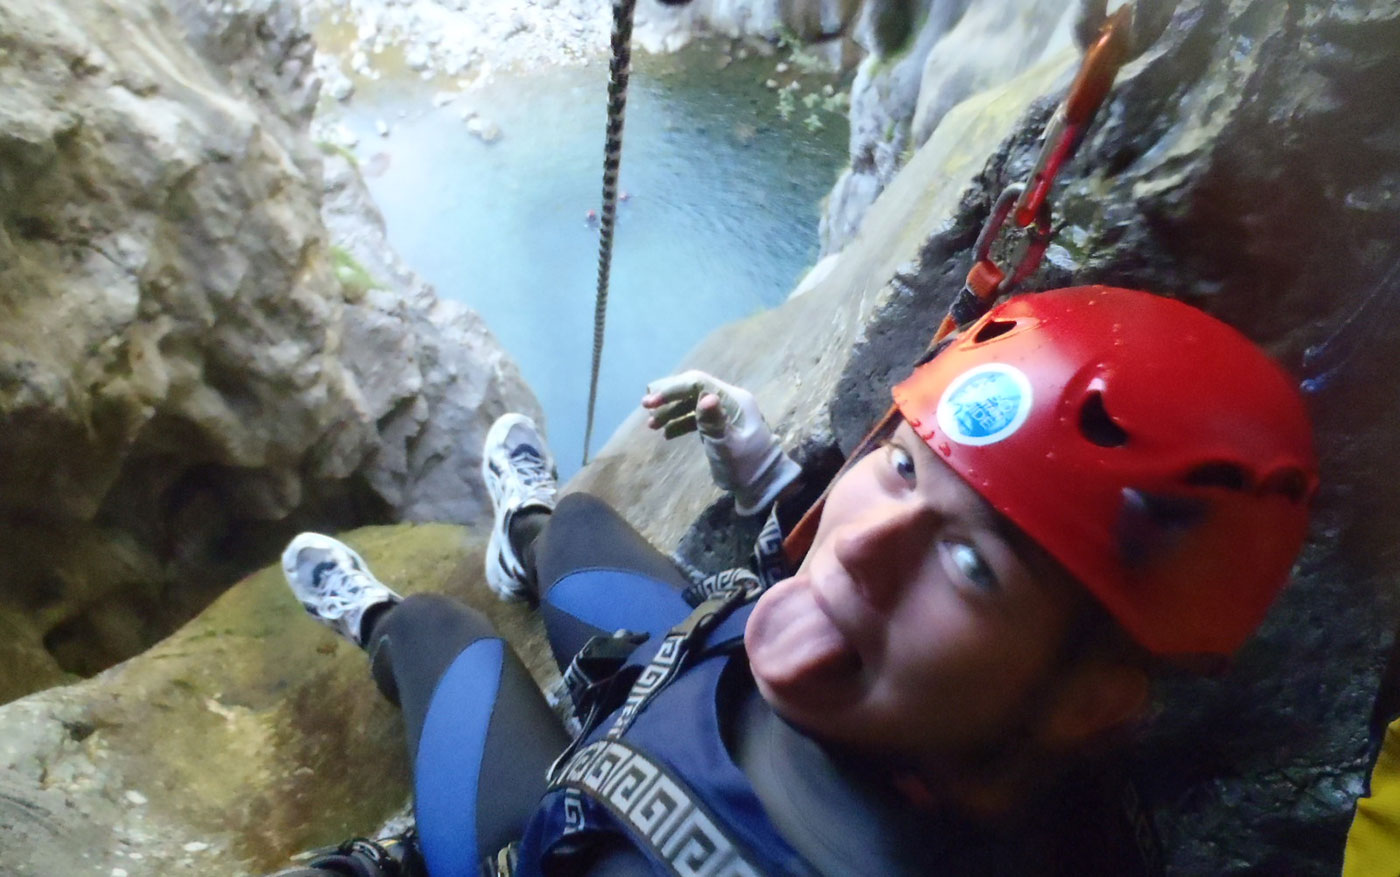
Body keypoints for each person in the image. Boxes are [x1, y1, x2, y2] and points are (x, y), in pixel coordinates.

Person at [275, 286, 1317, 877]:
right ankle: (534, 527)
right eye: (902, 466)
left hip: (549, 841)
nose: (862, 540)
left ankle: (380, 632)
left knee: (437, 637)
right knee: (581, 527)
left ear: (1091, 696)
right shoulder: (989, 728)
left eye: (969, 564)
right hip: (673, 697)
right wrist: (770, 474)